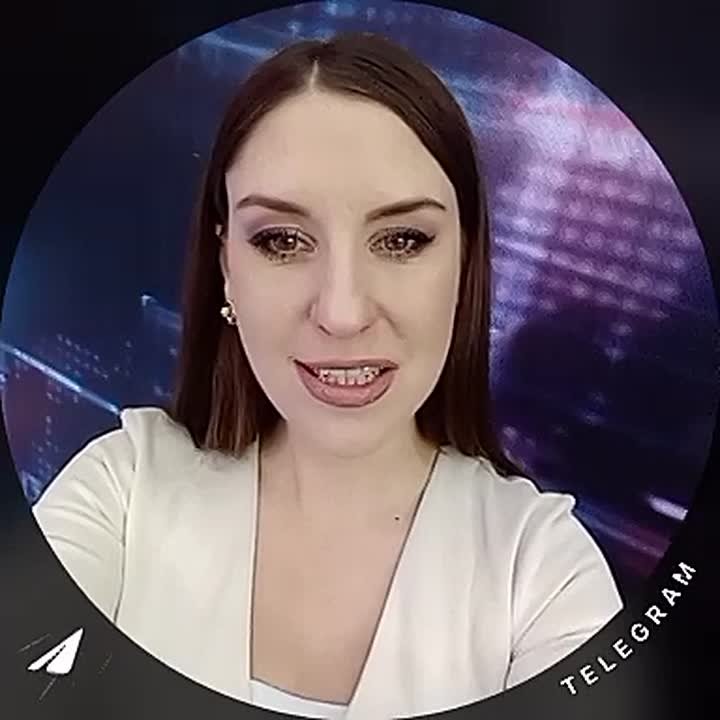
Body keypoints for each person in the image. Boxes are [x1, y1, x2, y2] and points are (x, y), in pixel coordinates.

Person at [32, 32, 622, 719]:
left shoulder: (544, 575)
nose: (342, 314)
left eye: (402, 240)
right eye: (282, 241)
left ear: (465, 264)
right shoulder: (122, 491)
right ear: (226, 266)